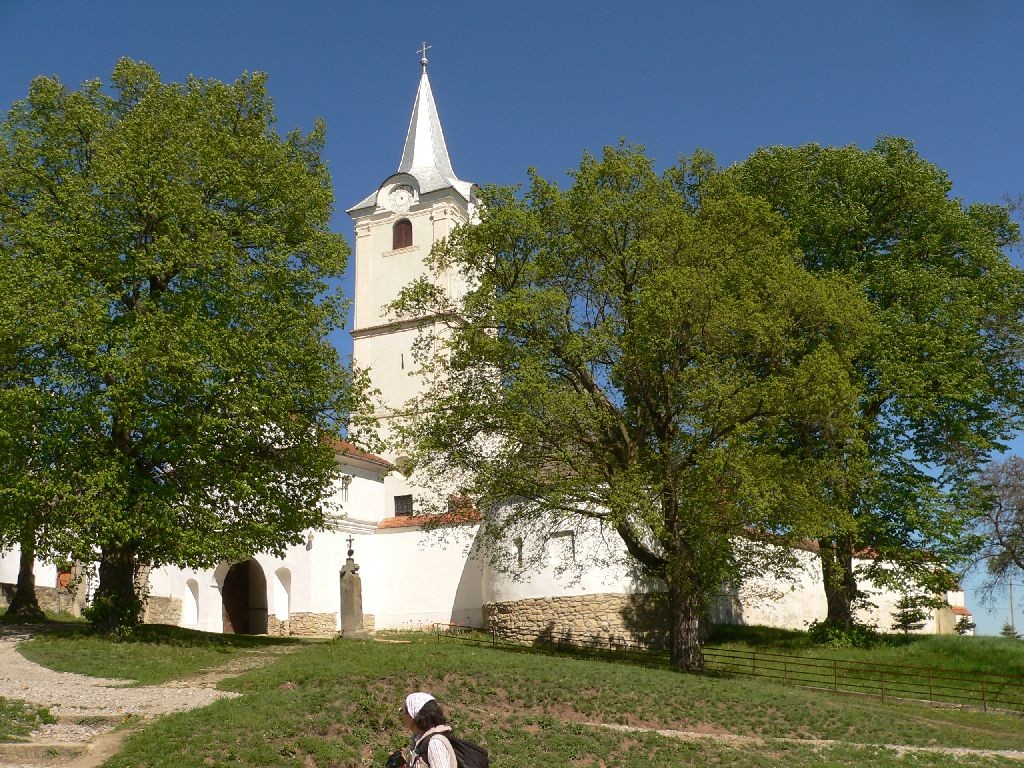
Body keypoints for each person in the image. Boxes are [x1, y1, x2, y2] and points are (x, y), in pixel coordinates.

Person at [401, 692, 457, 768]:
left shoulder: (435, 743)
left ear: (412, 715)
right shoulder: (420, 739)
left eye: (403, 710)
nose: (402, 714)